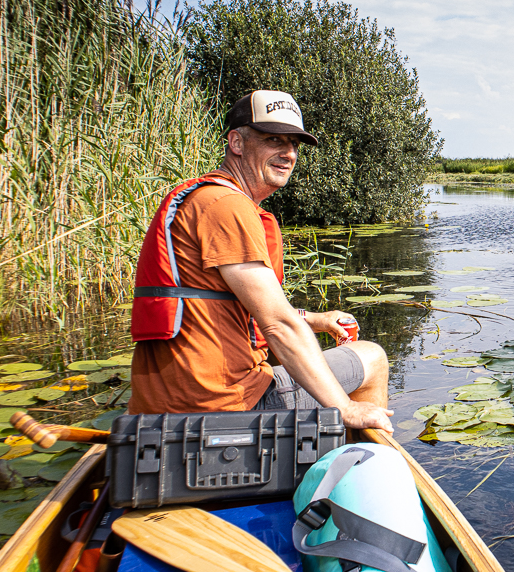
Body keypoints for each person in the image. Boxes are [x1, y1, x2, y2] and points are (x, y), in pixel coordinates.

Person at [127, 90, 393, 432]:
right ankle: (364, 464)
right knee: (372, 358)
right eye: (273, 140)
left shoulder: (205, 197)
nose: (288, 153)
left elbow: (235, 308)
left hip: (166, 402)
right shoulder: (228, 206)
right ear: (236, 142)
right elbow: (277, 325)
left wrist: (316, 319)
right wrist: (344, 407)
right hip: (218, 406)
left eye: (294, 143)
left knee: (292, 353)